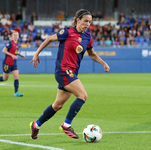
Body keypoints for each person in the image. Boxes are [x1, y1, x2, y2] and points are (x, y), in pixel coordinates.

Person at [29, 9, 110, 140]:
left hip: (71, 73)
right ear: (78, 20)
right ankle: (66, 125)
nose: (88, 24)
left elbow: (92, 54)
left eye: (89, 21)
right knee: (83, 95)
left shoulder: (87, 37)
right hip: (63, 71)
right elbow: (49, 39)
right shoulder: (67, 32)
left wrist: (103, 63)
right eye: (85, 21)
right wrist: (37, 52)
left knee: (58, 105)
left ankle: (36, 125)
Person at [0, 30, 25, 97]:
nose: (16, 36)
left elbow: (16, 52)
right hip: (7, 63)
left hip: (14, 63)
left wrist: (20, 55)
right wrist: (11, 55)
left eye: (17, 35)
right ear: (12, 36)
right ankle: (16, 92)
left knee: (16, 77)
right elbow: (4, 50)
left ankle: (16, 92)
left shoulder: (17, 44)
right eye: (15, 35)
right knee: (5, 79)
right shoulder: (10, 43)